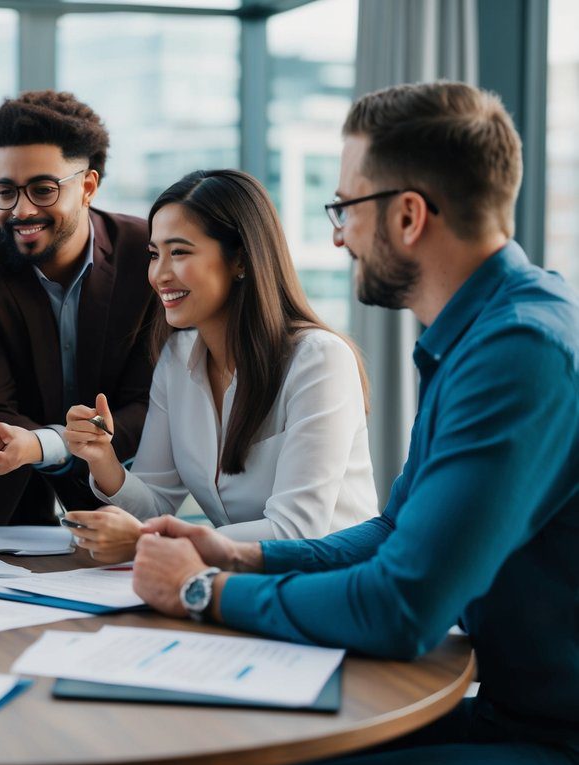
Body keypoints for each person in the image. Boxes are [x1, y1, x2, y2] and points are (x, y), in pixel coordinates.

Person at [130, 82, 578, 765]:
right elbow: (394, 532)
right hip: (507, 711)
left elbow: (400, 609)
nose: (337, 233)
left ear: (406, 217)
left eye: (343, 207)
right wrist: (240, 554)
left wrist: (201, 592)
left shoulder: (516, 352)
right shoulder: (478, 335)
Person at [59, 169, 376, 562]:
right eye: (154, 254)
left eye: (179, 252)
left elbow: (297, 529)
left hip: (333, 586)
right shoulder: (176, 360)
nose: (159, 275)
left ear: (240, 259)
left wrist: (148, 542)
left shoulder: (318, 361)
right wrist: (102, 458)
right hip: (237, 583)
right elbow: (156, 505)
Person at [0, 90, 158, 525]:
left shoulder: (147, 256)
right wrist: (45, 445)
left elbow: (149, 405)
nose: (22, 210)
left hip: (120, 484)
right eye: (5, 191)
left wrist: (52, 445)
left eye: (43, 189)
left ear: (88, 187)